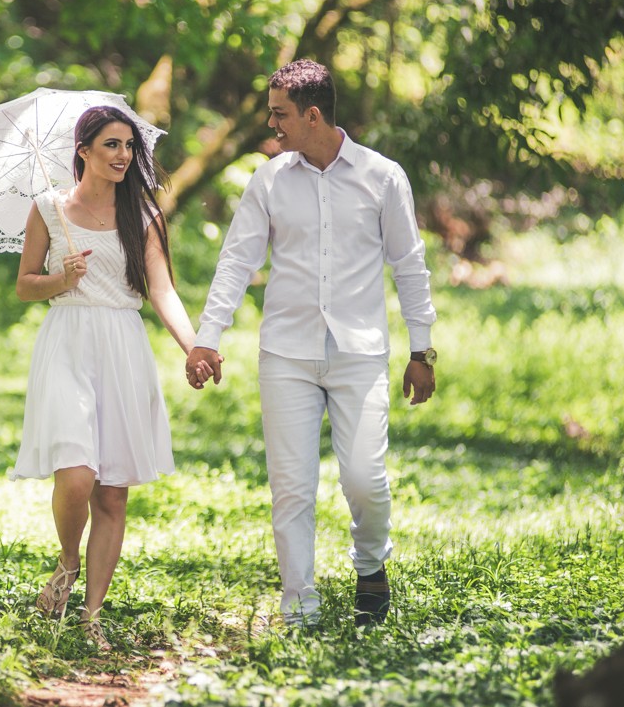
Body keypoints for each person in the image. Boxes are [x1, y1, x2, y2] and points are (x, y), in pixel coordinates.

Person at [185, 59, 437, 629]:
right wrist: (207, 338)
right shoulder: (269, 180)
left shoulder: (382, 177)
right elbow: (237, 262)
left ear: (313, 115)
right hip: (287, 354)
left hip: (359, 354)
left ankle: (370, 566)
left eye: (279, 114)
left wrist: (422, 350)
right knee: (291, 490)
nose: (271, 124)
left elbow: (409, 264)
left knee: (365, 480)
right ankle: (299, 608)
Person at [12, 105, 212, 652]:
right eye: (111, 145)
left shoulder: (143, 215)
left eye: (129, 146)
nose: (123, 155)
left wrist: (194, 346)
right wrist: (60, 278)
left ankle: (91, 616)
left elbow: (161, 289)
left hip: (122, 347)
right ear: (83, 151)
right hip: (67, 343)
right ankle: (67, 562)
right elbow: (25, 285)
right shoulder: (48, 208)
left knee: (112, 495)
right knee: (76, 476)